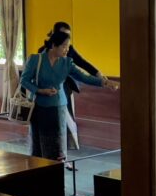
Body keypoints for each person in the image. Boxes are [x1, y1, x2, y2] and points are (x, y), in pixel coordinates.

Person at [22, 29, 118, 162]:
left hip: (58, 108)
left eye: (68, 46)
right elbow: (24, 80)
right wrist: (39, 90)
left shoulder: (67, 63)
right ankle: (37, 170)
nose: (67, 49)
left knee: (57, 146)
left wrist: (105, 82)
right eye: (64, 46)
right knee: (37, 145)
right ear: (54, 45)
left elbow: (84, 77)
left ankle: (56, 170)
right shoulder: (35, 59)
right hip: (38, 108)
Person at [37, 21, 103, 154]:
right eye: (63, 35)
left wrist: (99, 75)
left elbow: (82, 64)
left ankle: (63, 152)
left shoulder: (69, 49)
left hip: (65, 89)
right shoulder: (42, 51)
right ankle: (53, 153)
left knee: (67, 120)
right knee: (50, 126)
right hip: (46, 93)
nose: (66, 40)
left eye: (68, 36)